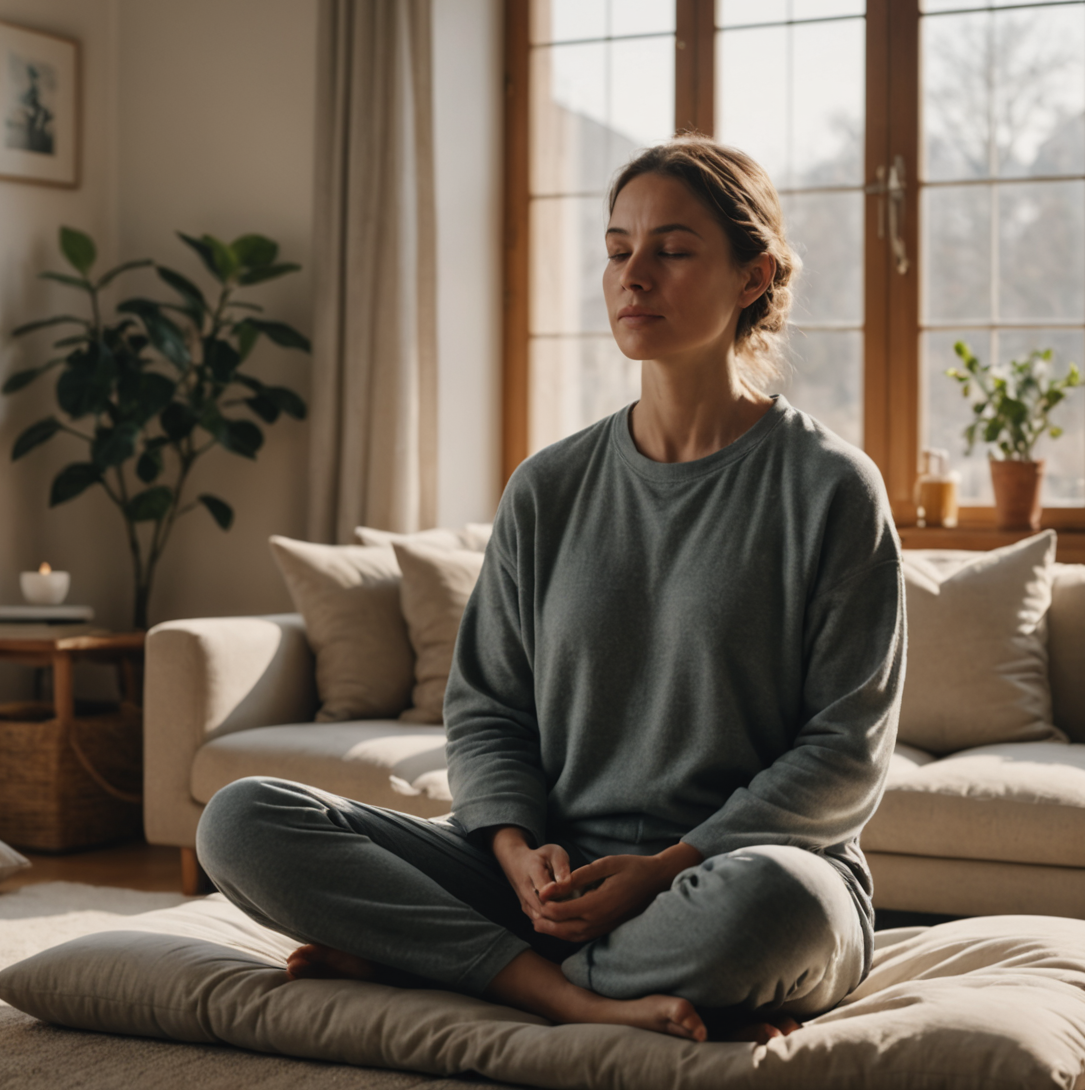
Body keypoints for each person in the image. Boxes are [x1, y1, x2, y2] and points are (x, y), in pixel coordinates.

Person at [196, 136, 905, 1044]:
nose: (632, 276)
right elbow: (488, 706)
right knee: (243, 819)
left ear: (752, 276)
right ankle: (560, 992)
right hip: (543, 882)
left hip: (732, 873)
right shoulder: (549, 485)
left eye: (672, 251)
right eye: (617, 250)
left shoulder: (831, 488)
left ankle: (456, 963)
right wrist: (514, 850)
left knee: (780, 910)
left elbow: (845, 753)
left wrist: (663, 870)